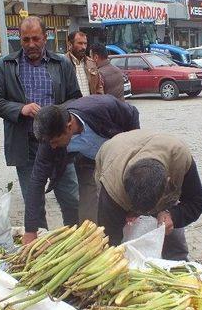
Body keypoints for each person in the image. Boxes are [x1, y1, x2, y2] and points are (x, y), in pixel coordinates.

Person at [0, 16, 82, 228]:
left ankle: (75, 237)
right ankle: (43, 245)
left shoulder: (62, 64)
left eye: (36, 39)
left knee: (71, 199)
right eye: (26, 39)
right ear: (19, 39)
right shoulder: (6, 65)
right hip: (26, 146)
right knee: (34, 203)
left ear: (46, 37)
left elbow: (76, 98)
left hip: (59, 143)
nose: (31, 44)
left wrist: (56, 112)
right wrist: (20, 109)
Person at [23, 95, 140, 244]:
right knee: (89, 222)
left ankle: (121, 244)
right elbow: (37, 180)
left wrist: (133, 148)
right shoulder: (50, 139)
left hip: (117, 157)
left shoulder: (102, 107)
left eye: (55, 142)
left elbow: (132, 113)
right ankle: (101, 250)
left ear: (69, 127)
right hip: (89, 162)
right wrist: (30, 229)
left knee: (121, 208)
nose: (52, 147)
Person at [94, 130, 202, 261]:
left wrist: (172, 215)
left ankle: (178, 261)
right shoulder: (112, 189)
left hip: (158, 151)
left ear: (167, 182)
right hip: (111, 153)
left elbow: (197, 203)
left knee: (171, 233)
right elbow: (110, 238)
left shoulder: (180, 159)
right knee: (116, 242)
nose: (146, 214)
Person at [66, 31, 104, 96]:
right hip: (73, 105)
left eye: (85, 43)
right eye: (80, 43)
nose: (83, 47)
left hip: (91, 104)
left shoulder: (91, 63)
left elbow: (99, 87)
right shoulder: (63, 63)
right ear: (70, 44)